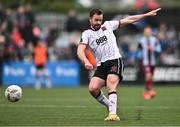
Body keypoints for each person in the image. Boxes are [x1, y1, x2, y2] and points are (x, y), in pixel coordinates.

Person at [77, 8, 161, 121]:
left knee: (110, 82)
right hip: (101, 65)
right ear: (90, 19)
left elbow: (128, 20)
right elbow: (80, 50)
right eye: (96, 20)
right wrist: (86, 61)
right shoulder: (87, 34)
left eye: (100, 20)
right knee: (93, 88)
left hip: (114, 60)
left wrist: (145, 15)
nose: (98, 22)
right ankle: (109, 106)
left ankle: (113, 114)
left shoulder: (108, 25)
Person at [138, 26, 161, 100]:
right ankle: (150, 91)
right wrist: (138, 56)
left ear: (151, 32)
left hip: (153, 62)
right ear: (144, 33)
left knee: (150, 77)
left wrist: (153, 49)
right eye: (146, 32)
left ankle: (146, 91)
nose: (147, 33)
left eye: (148, 31)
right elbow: (139, 51)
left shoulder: (155, 40)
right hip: (145, 62)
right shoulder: (141, 41)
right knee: (148, 75)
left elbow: (159, 49)